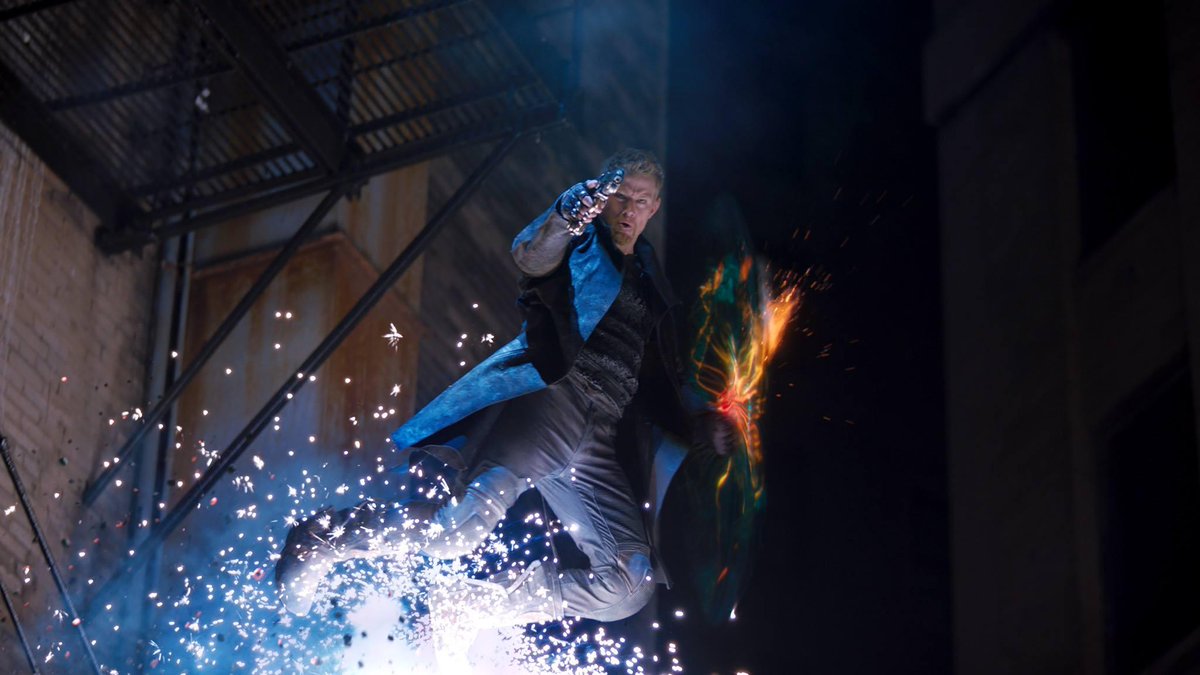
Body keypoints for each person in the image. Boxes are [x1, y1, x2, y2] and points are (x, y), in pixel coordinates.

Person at [274, 148, 732, 627]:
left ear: (653, 208)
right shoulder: (580, 241)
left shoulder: (651, 283)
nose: (629, 209)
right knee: (457, 533)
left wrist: (704, 423)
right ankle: (321, 539)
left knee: (628, 582)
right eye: (621, 196)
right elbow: (532, 256)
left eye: (640, 201)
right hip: (551, 405)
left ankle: (474, 607)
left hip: (598, 436)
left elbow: (661, 379)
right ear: (605, 196)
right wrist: (566, 215)